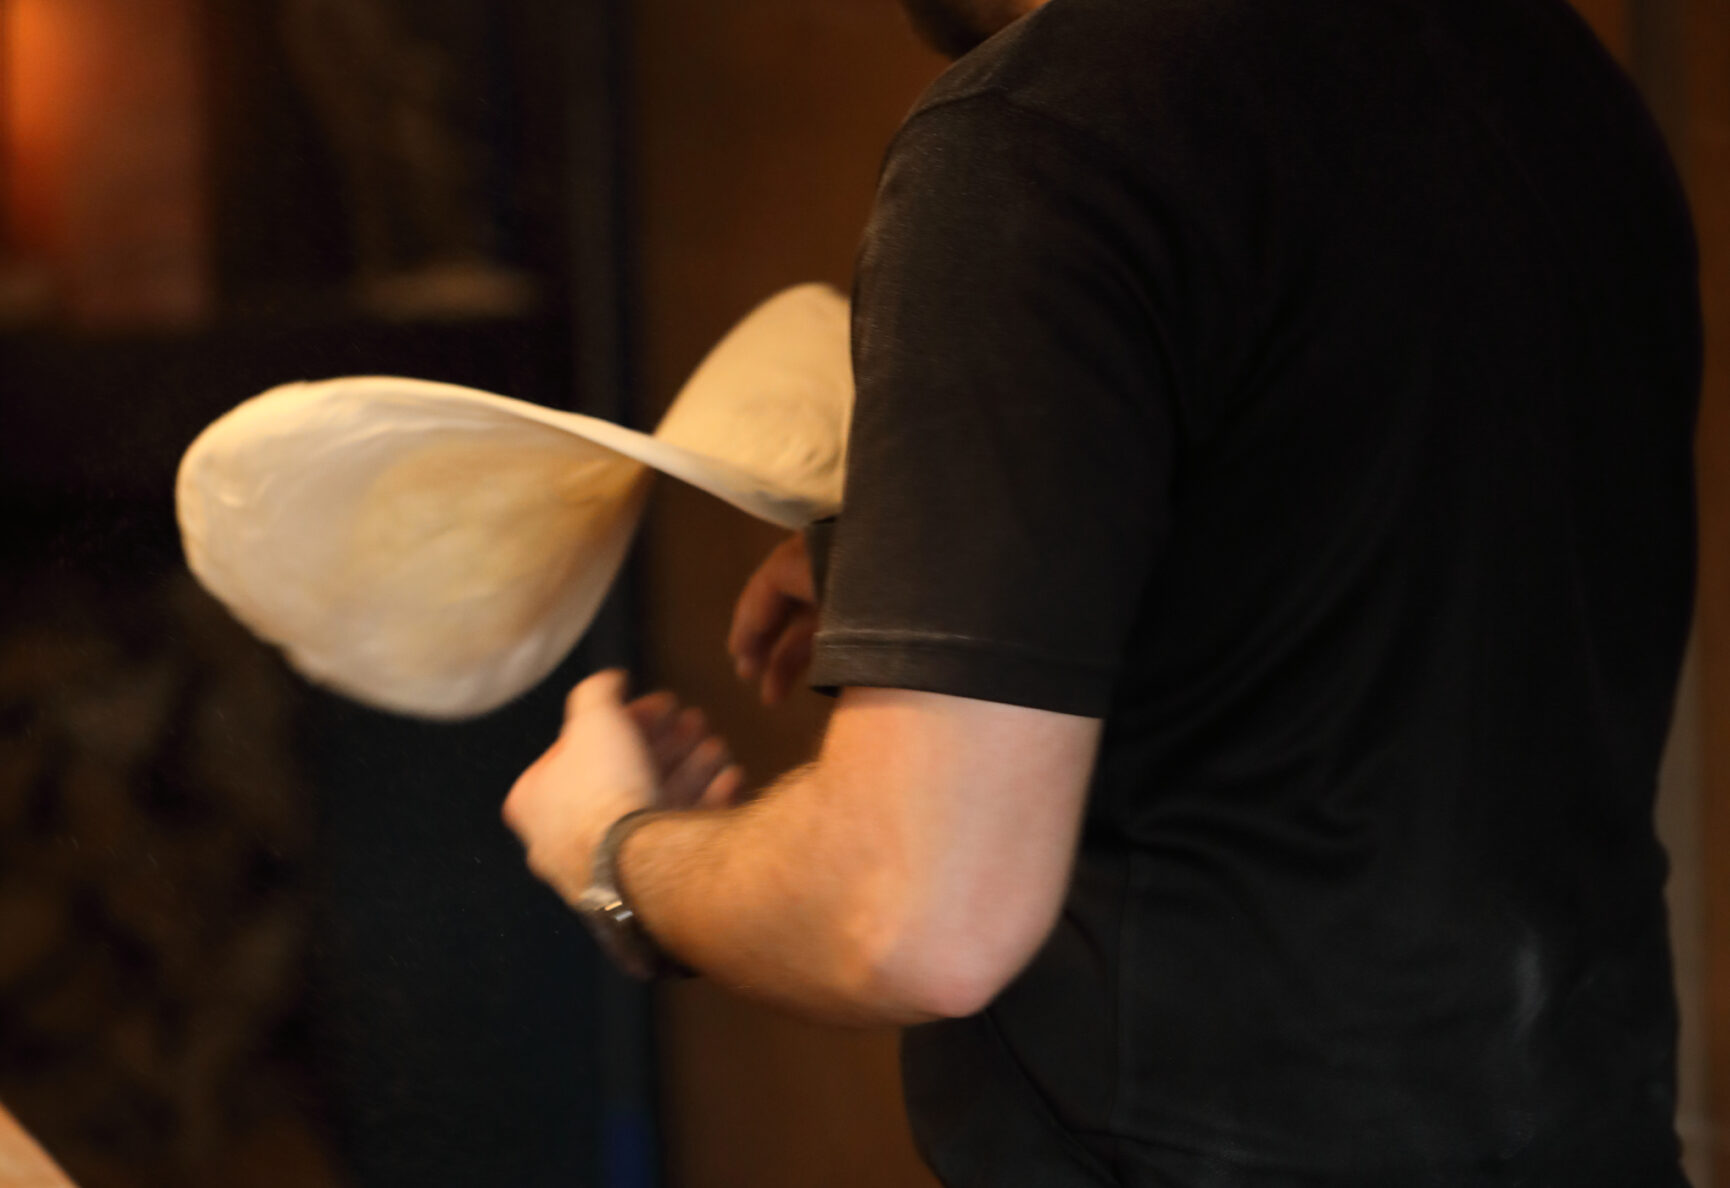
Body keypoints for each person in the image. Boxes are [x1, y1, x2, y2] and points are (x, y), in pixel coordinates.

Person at [503, 0, 1703, 1182]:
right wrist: (961, 567)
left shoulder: (1039, 131)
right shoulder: (1550, 77)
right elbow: (1377, 520)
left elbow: (911, 917)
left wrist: (616, 859)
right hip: (1586, 1129)